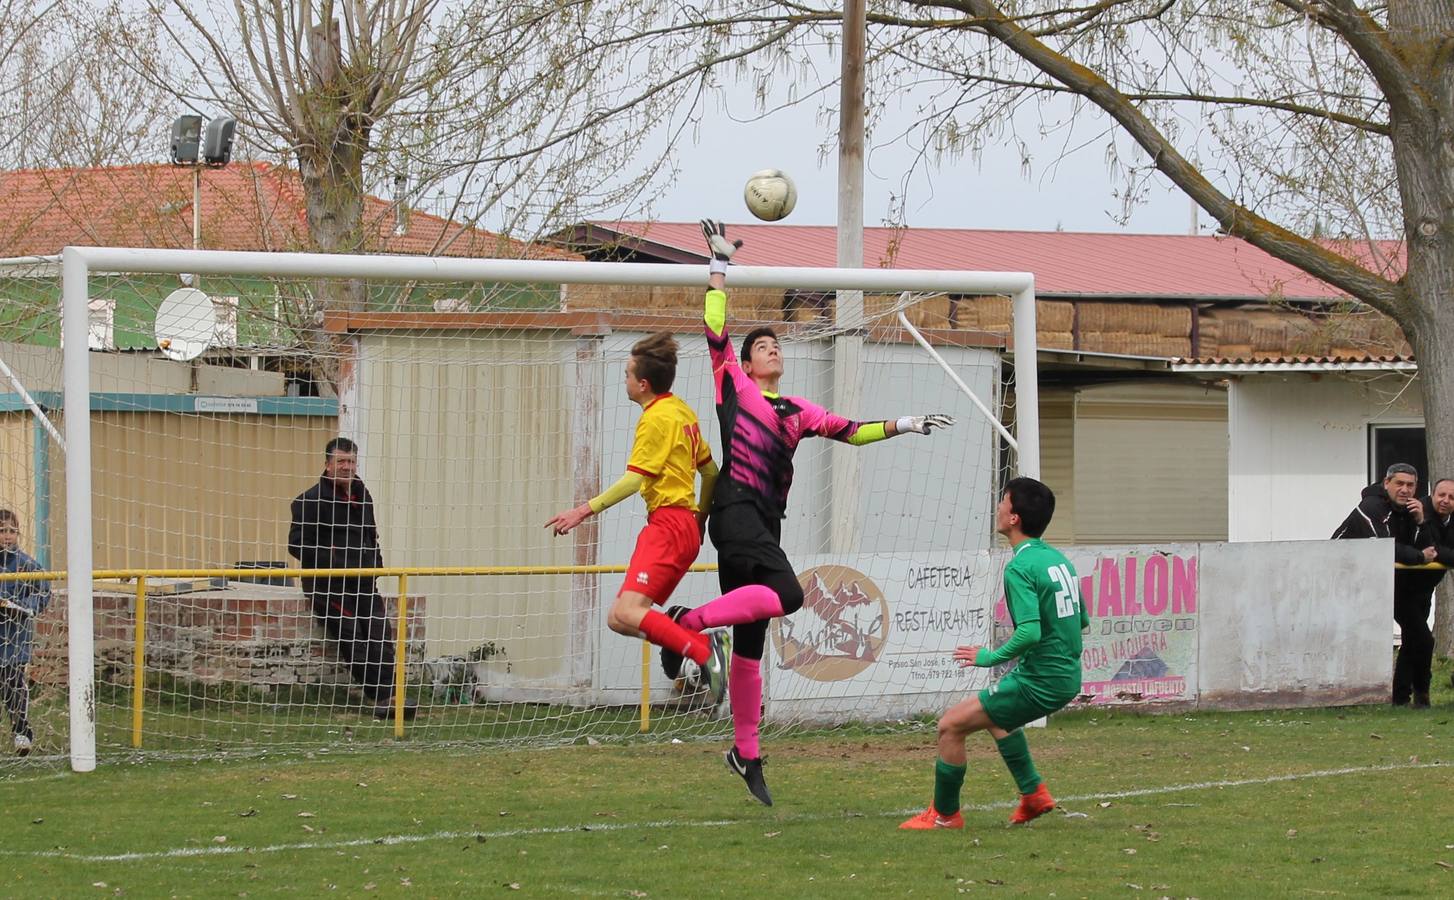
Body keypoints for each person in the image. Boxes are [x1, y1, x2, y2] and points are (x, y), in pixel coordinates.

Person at [668, 220, 954, 806]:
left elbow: (851, 431)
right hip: (735, 511)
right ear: (746, 365)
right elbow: (714, 328)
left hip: (764, 523)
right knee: (792, 596)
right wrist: (719, 265)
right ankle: (685, 623)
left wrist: (906, 424)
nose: (774, 349)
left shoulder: (797, 410)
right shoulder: (733, 388)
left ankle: (745, 753)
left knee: (751, 647)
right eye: (763, 346)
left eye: (777, 345)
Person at [545, 332, 730, 703]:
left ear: (643, 384)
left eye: (628, 374)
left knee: (627, 611)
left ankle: (705, 651)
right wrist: (700, 519)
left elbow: (636, 478)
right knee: (619, 618)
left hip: (666, 526)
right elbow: (710, 472)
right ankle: (685, 633)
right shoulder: (681, 411)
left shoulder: (655, 419)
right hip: (684, 528)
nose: (625, 380)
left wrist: (582, 510)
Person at [901, 477, 1086, 830]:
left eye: (1004, 500)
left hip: (1042, 679)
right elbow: (1082, 621)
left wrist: (989, 657)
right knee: (996, 718)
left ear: (1014, 517)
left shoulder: (1020, 567)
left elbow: (1030, 632)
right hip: (1062, 674)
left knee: (950, 726)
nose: (998, 507)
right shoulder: (1058, 560)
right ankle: (1033, 795)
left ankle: (944, 816)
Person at [289, 437, 413, 720]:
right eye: (341, 461)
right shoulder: (309, 500)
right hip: (329, 588)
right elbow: (296, 544)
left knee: (381, 634)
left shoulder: (362, 494)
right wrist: (335, 560)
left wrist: (376, 565)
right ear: (328, 464)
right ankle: (382, 697)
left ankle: (394, 693)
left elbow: (371, 535)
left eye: (351, 461)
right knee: (352, 638)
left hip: (365, 582)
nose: (347, 467)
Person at [1331, 463, 1436, 707]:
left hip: (1387, 580)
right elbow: (1383, 547)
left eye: (1410, 485)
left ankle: (1405, 698)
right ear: (1386, 483)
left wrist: (1421, 521)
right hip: (1343, 579)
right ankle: (1335, 695)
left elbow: (1430, 549)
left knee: (1419, 637)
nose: (1405, 490)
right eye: (1399, 483)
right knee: (1342, 637)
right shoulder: (1370, 506)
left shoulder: (1413, 509)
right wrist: (1419, 557)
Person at [0, 509, 52, 757]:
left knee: (12, 687)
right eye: (2, 531)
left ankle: (22, 732)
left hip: (13, 639)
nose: (7, 536)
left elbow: (43, 591)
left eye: (11, 531)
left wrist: (25, 608)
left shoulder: (26, 563)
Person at [1403, 477, 1454, 708]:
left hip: (1425, 589)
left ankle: (1400, 698)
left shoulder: (1450, 521)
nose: (1446, 501)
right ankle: (1422, 695)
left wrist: (1441, 553)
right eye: (1441, 495)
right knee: (1424, 640)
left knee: (1411, 642)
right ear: (1432, 494)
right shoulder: (1417, 513)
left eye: (1452, 497)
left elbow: (1441, 553)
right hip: (1402, 588)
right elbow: (1430, 550)